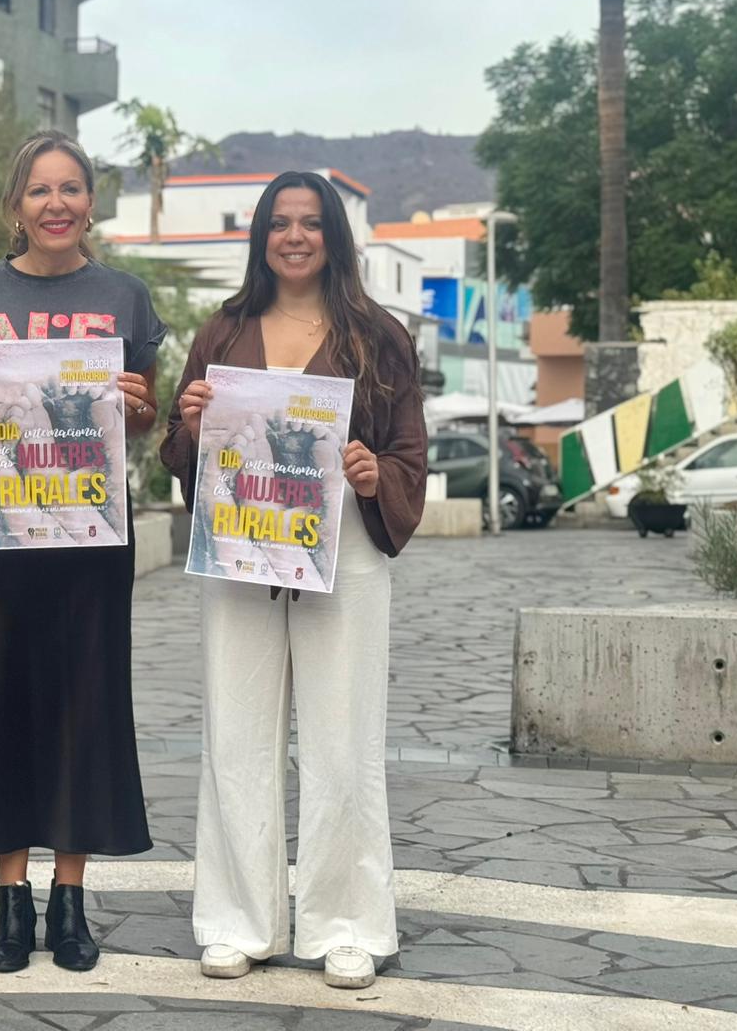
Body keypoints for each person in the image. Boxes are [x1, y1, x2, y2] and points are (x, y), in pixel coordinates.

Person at [159, 171, 427, 989]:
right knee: (235, 736)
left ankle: (347, 921)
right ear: (261, 236)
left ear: (335, 236)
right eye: (280, 223)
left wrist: (376, 475)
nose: (296, 236)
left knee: (344, 740)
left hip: (341, 544)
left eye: (312, 223)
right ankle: (239, 919)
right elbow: (177, 448)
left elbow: (410, 453)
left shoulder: (378, 337)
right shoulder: (225, 329)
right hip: (243, 544)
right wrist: (195, 425)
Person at [0, 131, 165, 974]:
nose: (55, 204)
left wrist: (139, 404)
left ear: (91, 203)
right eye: (39, 191)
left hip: (91, 525)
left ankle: (70, 900)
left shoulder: (126, 296)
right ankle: (10, 899)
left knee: (86, 697)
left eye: (70, 189)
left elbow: (142, 418)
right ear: (15, 206)